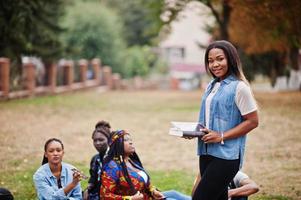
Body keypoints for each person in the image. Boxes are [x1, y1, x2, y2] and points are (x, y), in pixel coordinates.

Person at [193, 40, 259, 200]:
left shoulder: (240, 87)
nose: (215, 64)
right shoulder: (211, 85)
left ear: (231, 59)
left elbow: (252, 121)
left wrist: (221, 135)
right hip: (206, 151)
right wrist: (194, 132)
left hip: (226, 156)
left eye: (220, 59)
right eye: (210, 61)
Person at [100, 130, 191, 200]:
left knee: (174, 194)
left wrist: (153, 190)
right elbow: (105, 195)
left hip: (148, 197)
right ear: (117, 144)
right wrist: (130, 198)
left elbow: (144, 182)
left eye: (131, 139)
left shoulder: (132, 161)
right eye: (126, 140)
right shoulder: (112, 168)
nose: (131, 142)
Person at [84, 120, 112, 200]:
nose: (98, 143)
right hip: (96, 195)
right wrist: (87, 189)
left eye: (101, 140)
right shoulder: (95, 159)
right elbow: (93, 180)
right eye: (95, 140)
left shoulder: (114, 158)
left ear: (109, 140)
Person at [192, 171, 259, 200]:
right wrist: (201, 175)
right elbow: (194, 197)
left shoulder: (235, 174)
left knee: (242, 196)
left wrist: (230, 193)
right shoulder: (204, 176)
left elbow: (254, 187)